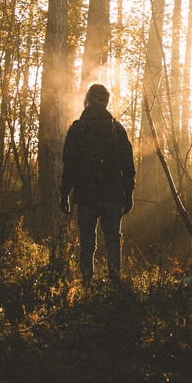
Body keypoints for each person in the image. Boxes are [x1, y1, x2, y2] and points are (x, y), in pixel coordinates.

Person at [60, 83, 135, 283]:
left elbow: (69, 164)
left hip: (86, 194)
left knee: (87, 242)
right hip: (112, 194)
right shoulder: (117, 129)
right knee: (113, 239)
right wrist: (129, 194)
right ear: (106, 102)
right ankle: (115, 282)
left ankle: (86, 284)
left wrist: (64, 193)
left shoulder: (78, 128)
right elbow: (128, 165)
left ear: (88, 100)